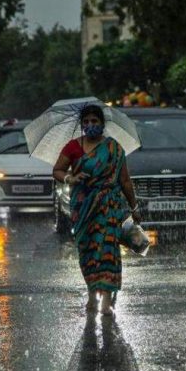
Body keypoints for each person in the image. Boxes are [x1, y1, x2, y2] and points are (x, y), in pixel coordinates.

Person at [52, 104, 141, 316]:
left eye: (95, 121)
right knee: (88, 250)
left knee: (108, 249)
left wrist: (134, 207)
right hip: (83, 208)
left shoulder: (114, 148)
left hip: (109, 207)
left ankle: (107, 300)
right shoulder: (73, 147)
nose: (90, 125)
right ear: (82, 125)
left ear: (102, 124)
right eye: (86, 122)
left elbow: (125, 180)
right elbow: (57, 170)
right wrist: (70, 178)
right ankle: (92, 292)